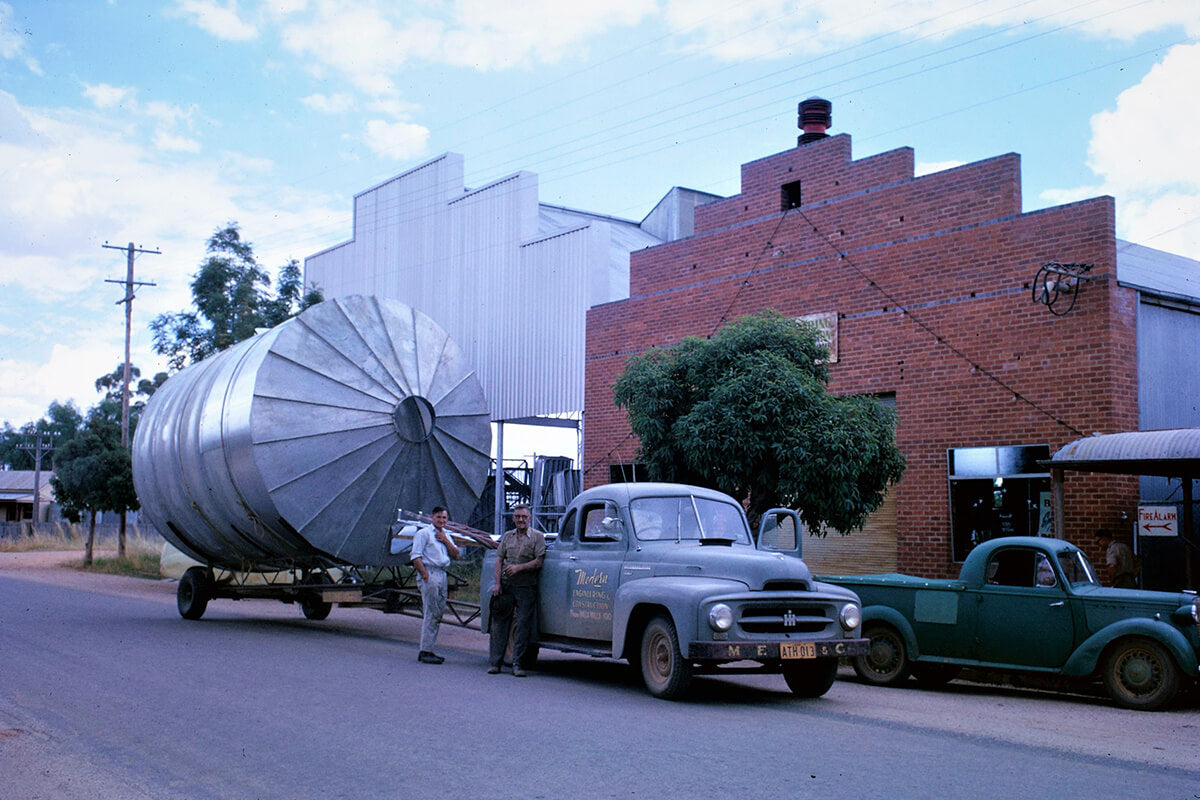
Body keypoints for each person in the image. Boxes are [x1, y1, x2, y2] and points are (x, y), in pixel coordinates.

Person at [488, 504, 546, 677]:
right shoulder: (507, 536)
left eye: (524, 517)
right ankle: (495, 663)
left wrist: (519, 568)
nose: (521, 520)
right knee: (499, 625)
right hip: (506, 586)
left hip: (526, 588)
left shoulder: (537, 537)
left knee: (522, 626)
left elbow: (538, 562)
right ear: (513, 518)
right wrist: (497, 584)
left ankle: (518, 664)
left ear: (530, 518)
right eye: (518, 516)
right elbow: (499, 560)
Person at [410, 506, 460, 664]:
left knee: (437, 614)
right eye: (439, 517)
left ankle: (429, 649)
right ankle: (425, 651)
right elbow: (415, 556)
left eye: (444, 518)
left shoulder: (446, 535)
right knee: (431, 613)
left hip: (442, 573)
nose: (442, 521)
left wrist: (445, 540)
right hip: (430, 573)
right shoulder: (424, 533)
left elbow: (456, 555)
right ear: (432, 517)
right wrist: (425, 575)